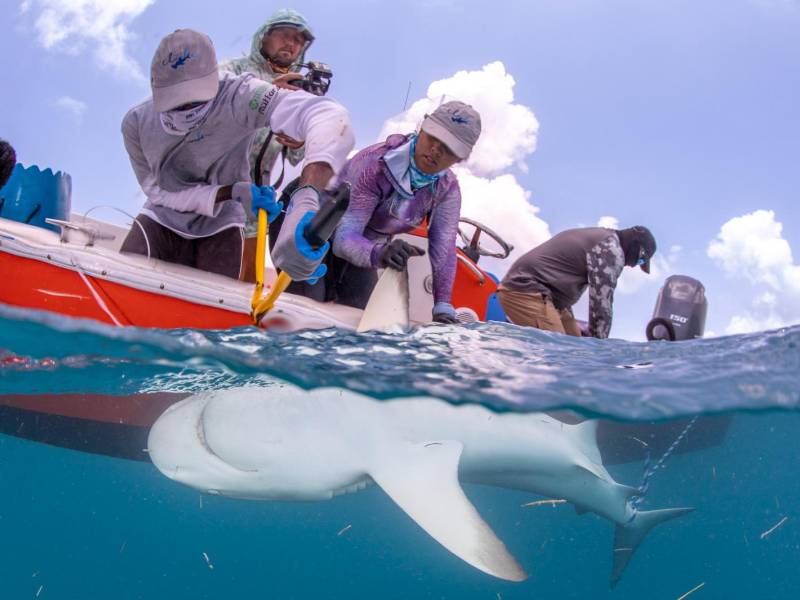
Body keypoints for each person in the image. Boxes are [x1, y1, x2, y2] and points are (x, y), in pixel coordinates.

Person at [119, 29, 354, 281]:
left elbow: (329, 116)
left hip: (224, 223)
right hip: (159, 218)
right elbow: (158, 192)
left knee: (213, 310)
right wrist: (230, 192)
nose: (186, 108)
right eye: (176, 102)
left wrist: (306, 197)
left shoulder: (240, 94)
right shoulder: (135, 123)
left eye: (194, 100)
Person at [323, 101, 481, 323]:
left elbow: (444, 251)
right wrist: (381, 253)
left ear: (460, 158)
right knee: (307, 305)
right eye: (433, 137)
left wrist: (443, 308)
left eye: (449, 148)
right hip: (317, 237)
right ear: (422, 128)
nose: (436, 149)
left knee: (364, 321)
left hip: (367, 249)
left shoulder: (447, 189)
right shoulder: (374, 165)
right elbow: (343, 238)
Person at [220, 9, 314, 280]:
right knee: (207, 274)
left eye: (298, 40)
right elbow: (207, 107)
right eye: (285, 34)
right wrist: (269, 92)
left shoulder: (298, 92)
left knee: (247, 283)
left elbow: (298, 157)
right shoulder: (234, 69)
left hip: (256, 203)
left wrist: (298, 140)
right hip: (214, 187)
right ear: (263, 37)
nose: (292, 44)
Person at [497, 226, 657, 339]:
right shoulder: (611, 250)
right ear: (637, 247)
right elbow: (601, 304)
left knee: (575, 349)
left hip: (551, 299)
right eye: (640, 260)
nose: (633, 265)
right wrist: (599, 350)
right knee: (559, 351)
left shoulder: (603, 237)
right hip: (525, 289)